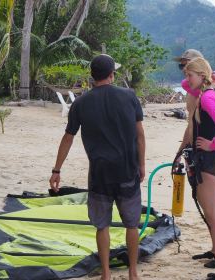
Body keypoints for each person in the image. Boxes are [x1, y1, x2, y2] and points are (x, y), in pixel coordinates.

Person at [49, 54, 145, 280]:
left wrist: (56, 170)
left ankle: (106, 274)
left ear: (92, 77)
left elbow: (68, 138)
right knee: (132, 224)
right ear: (112, 74)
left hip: (99, 174)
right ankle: (133, 273)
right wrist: (141, 165)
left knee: (102, 226)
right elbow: (140, 136)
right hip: (127, 171)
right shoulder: (129, 96)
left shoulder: (81, 103)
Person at [174, 49, 215, 277]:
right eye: (184, 68)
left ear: (200, 72)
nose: (185, 74)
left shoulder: (210, 94)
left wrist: (212, 144)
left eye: (189, 70)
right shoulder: (204, 90)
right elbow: (185, 85)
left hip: (210, 159)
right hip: (214, 158)